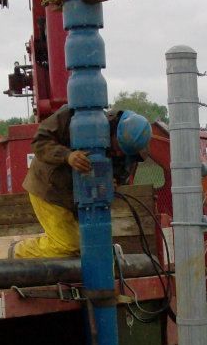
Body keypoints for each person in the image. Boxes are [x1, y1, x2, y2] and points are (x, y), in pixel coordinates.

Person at [12, 106, 152, 258]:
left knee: (87, 246)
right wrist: (67, 156)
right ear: (114, 130)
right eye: (117, 147)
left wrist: (111, 185)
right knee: (69, 245)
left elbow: (120, 177)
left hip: (81, 201)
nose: (118, 153)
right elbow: (39, 142)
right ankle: (18, 251)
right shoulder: (74, 116)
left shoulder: (132, 152)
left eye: (123, 152)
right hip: (49, 189)